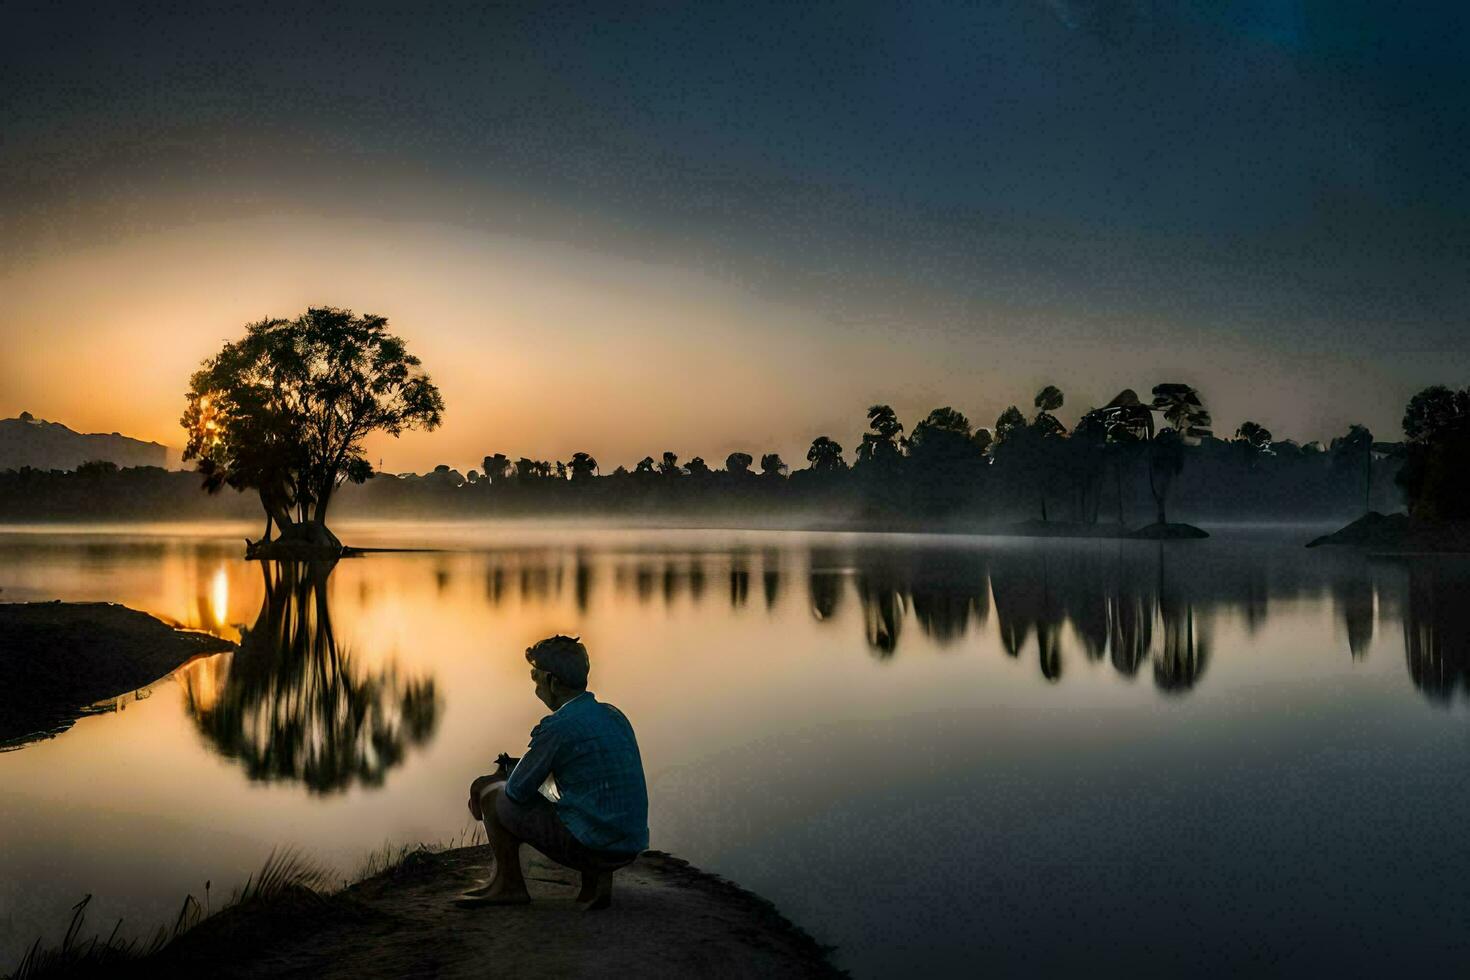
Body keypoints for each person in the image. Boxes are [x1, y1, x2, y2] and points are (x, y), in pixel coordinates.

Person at [458, 635, 649, 910]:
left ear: (553, 682)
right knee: (587, 793)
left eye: (536, 677)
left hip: (593, 848)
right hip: (629, 844)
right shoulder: (613, 715)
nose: (535, 687)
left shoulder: (559, 727)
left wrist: (489, 783)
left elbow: (516, 791)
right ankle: (595, 884)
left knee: (493, 796)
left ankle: (508, 886)